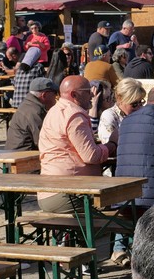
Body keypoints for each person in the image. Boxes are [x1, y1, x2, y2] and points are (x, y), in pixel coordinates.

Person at [37, 75, 118, 213]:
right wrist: (112, 143)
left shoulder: (55, 111)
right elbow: (91, 156)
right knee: (119, 202)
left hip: (49, 191)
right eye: (87, 91)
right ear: (74, 94)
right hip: (68, 192)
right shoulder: (74, 115)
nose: (92, 95)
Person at [5, 77, 58, 152]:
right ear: (44, 95)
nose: (56, 97)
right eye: (55, 93)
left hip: (16, 153)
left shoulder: (29, 104)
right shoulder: (35, 112)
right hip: (23, 157)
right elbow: (44, 141)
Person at [98, 77, 146, 145]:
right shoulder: (109, 115)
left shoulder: (143, 113)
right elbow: (109, 144)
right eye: (134, 104)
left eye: (141, 102)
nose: (138, 107)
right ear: (120, 99)